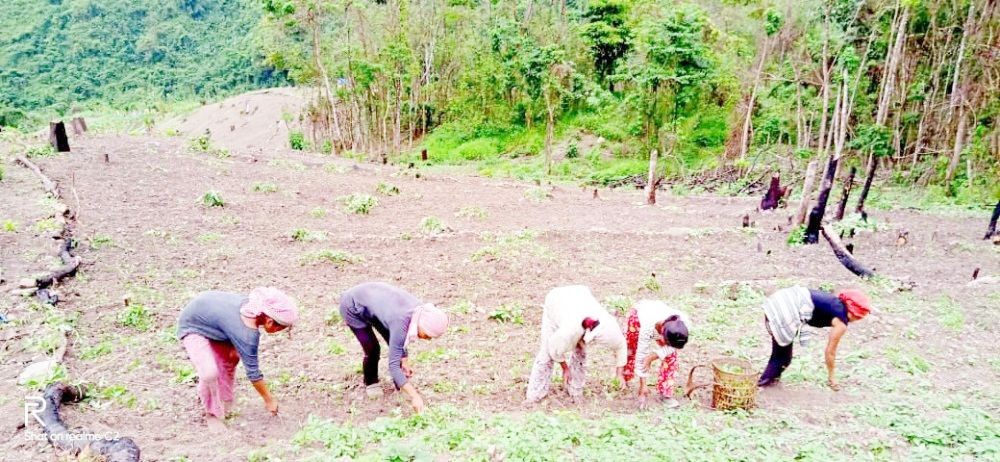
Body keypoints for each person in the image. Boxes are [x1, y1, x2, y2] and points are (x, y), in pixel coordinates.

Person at [176, 287, 298, 432]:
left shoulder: (253, 310)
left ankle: (223, 398)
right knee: (209, 373)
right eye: (281, 328)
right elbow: (253, 373)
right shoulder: (247, 334)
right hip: (193, 324)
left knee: (231, 358)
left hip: (217, 325)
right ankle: (212, 414)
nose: (280, 332)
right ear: (270, 322)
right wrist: (269, 399)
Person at [339, 282, 448, 413]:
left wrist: (405, 359)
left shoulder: (419, 311)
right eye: (428, 334)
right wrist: (415, 396)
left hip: (376, 307)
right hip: (352, 306)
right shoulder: (401, 319)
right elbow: (393, 365)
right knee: (373, 349)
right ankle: (371, 382)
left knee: (392, 338)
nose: (428, 339)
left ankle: (400, 383)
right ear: (422, 324)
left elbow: (398, 338)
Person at [525, 285, 627, 403]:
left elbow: (621, 346)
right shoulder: (568, 331)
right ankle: (534, 395)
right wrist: (565, 369)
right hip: (556, 301)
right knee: (546, 354)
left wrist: (620, 374)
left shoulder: (609, 328)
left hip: (581, 296)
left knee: (580, 353)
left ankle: (575, 390)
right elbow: (553, 348)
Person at [757, 287, 871, 390]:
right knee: (783, 357)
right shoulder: (841, 322)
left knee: (782, 354)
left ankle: (771, 380)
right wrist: (832, 377)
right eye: (859, 317)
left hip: (779, 300)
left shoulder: (834, 303)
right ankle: (762, 384)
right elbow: (830, 352)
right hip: (785, 310)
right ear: (854, 313)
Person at [622, 300, 691, 409]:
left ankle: (665, 393)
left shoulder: (684, 325)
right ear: (661, 335)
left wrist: (654, 355)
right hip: (638, 316)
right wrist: (643, 385)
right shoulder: (648, 325)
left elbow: (675, 347)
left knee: (671, 356)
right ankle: (624, 379)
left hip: (661, 322)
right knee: (631, 348)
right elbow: (642, 354)